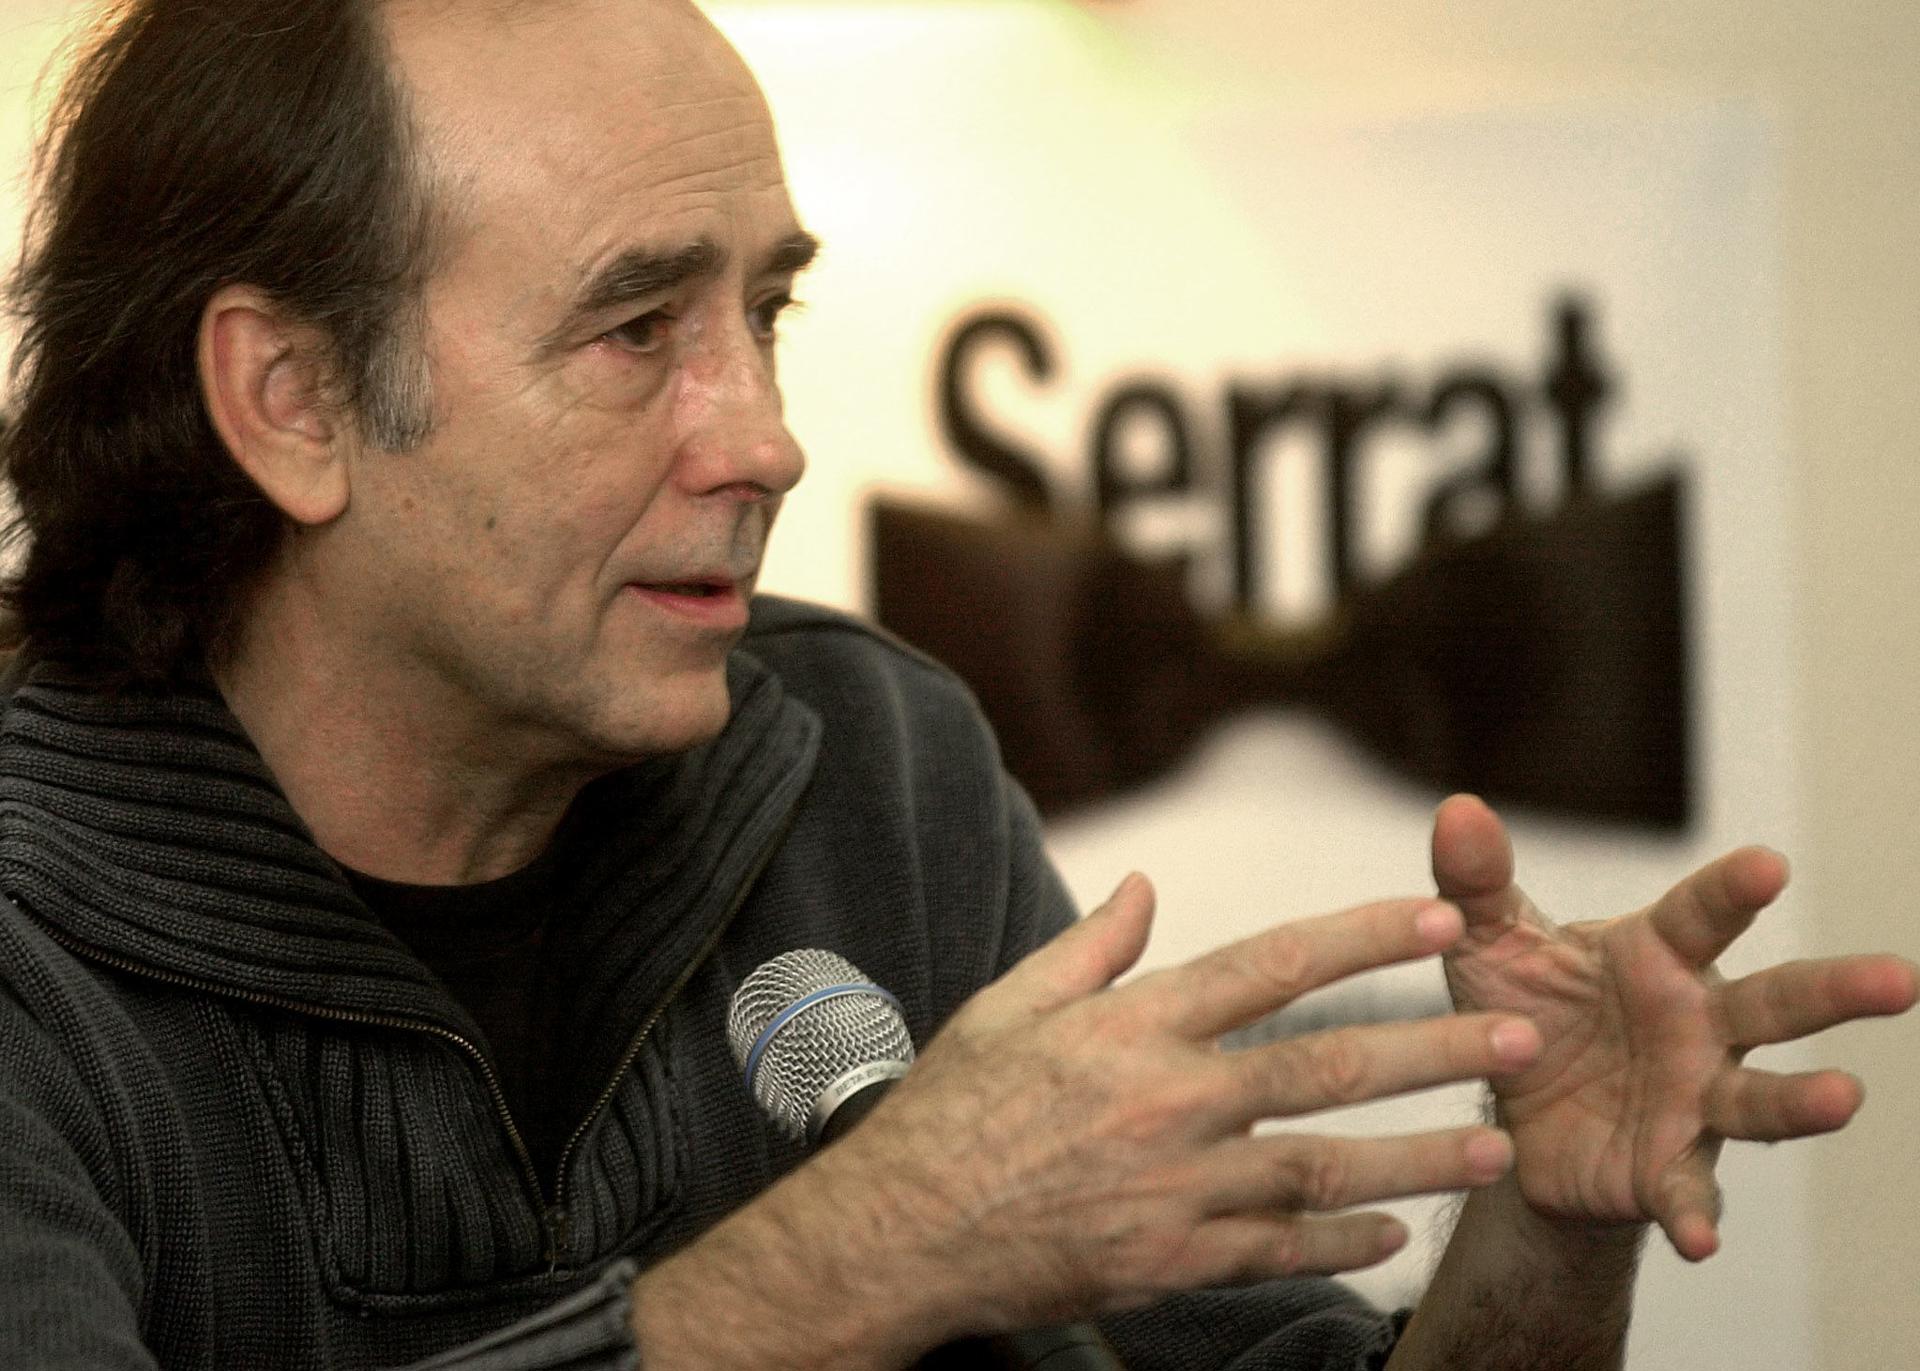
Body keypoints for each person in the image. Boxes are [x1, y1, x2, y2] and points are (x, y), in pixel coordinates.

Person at [0, 1, 1911, 1368]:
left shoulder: (867, 769)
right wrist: (852, 1267)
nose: (763, 438)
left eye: (766, 315)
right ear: (293, 401)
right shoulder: (34, 935)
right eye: (634, 328)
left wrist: (1546, 1246)